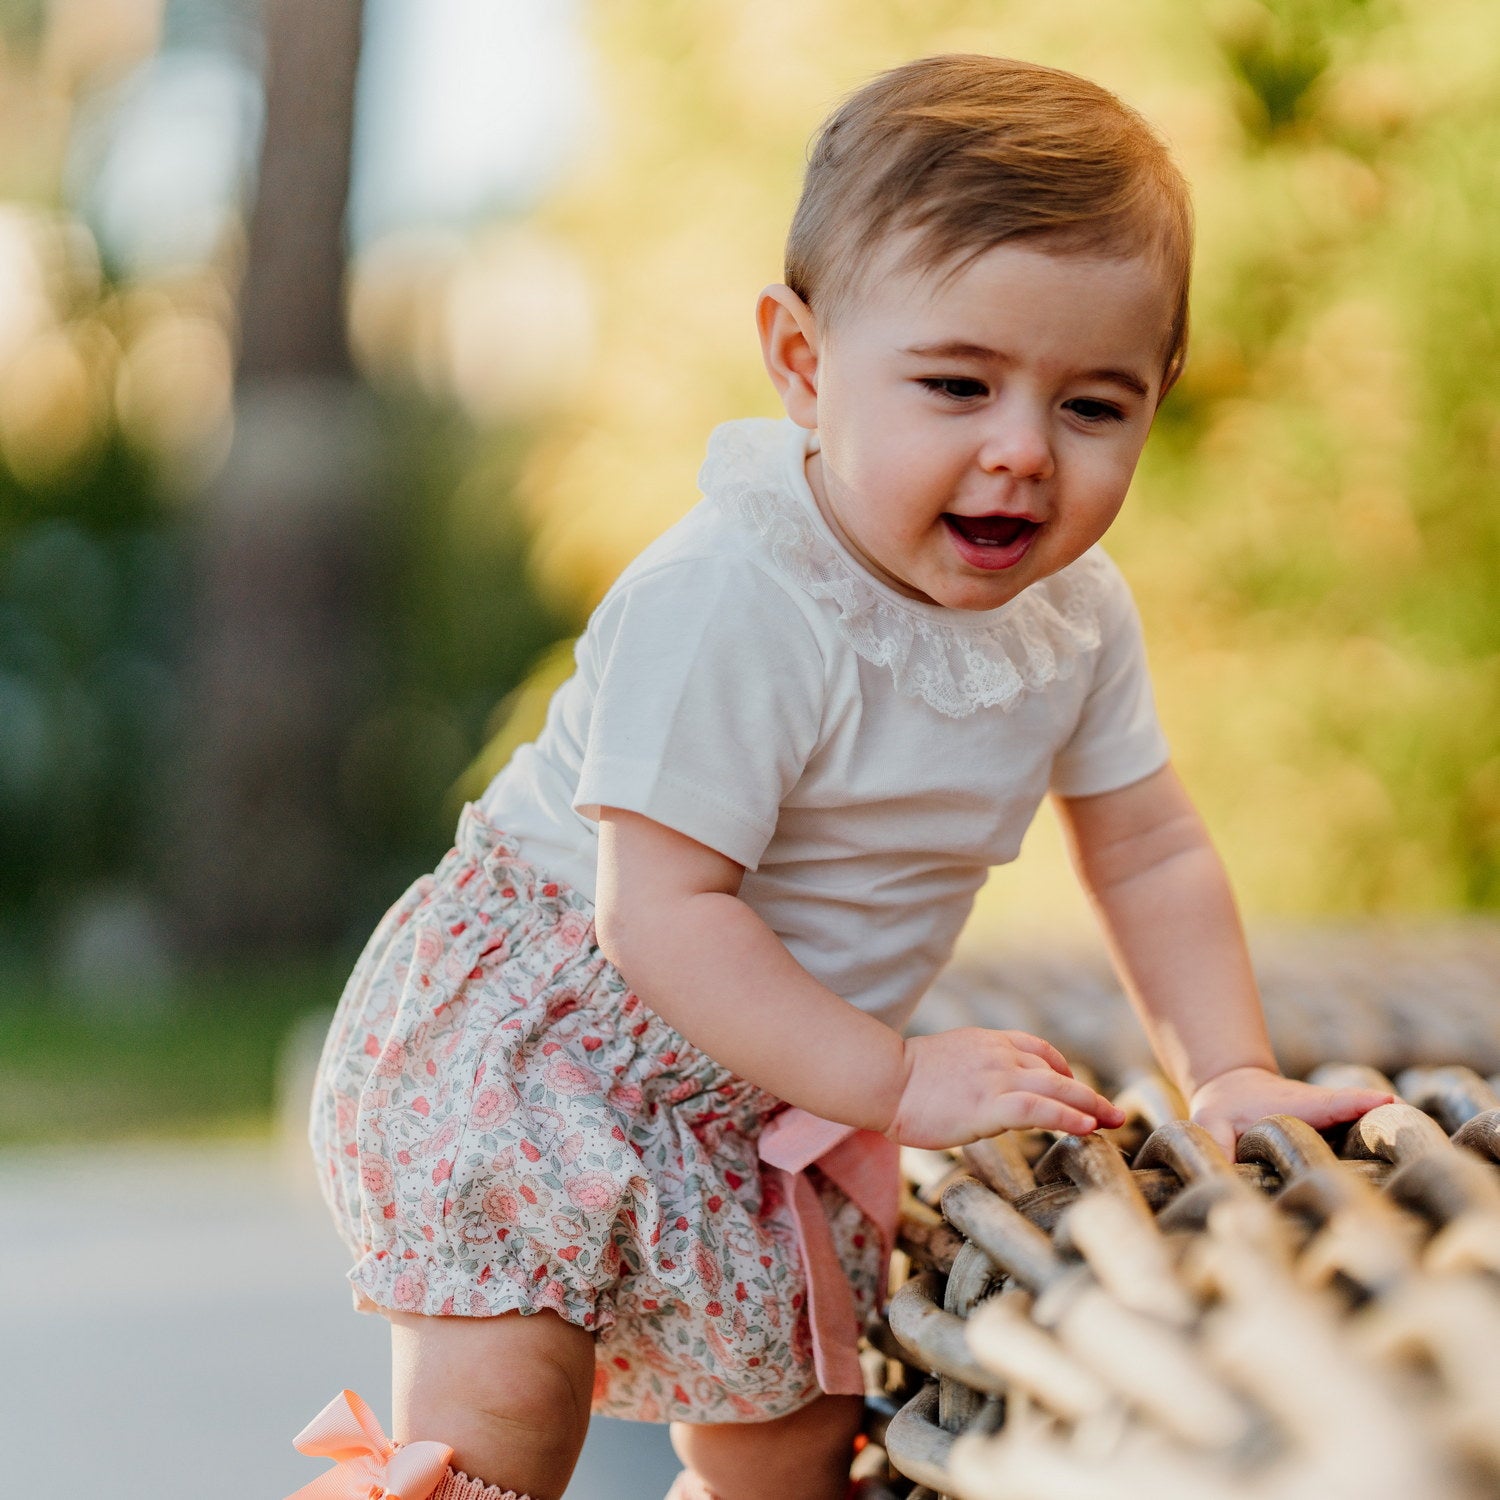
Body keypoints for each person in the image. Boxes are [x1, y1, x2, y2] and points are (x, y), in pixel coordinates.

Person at [288, 54, 1393, 1500]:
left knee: (792, 1441)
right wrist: (893, 1076)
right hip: (557, 1036)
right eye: (957, 384)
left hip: (769, 1077)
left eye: (1094, 408)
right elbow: (660, 913)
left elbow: (1149, 851)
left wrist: (1231, 1068)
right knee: (506, 1414)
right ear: (805, 365)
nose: (1020, 453)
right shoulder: (739, 594)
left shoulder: (1078, 617)